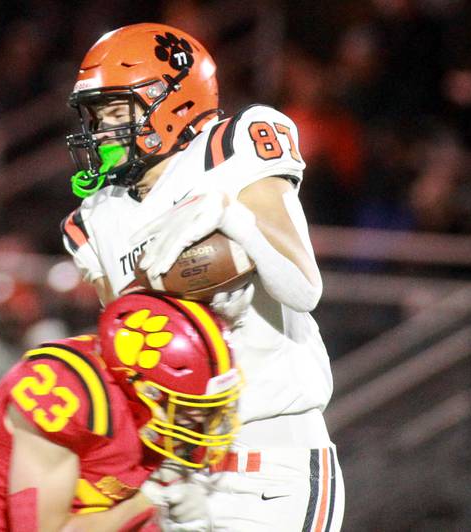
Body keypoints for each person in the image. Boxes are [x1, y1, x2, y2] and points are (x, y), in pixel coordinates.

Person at [62, 23, 344, 531]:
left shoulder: (230, 147)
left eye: (115, 112)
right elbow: (134, 347)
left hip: (272, 462)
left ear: (171, 102)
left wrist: (233, 217)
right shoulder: (95, 218)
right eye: (95, 115)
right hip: (180, 468)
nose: (101, 131)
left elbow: (304, 288)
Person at [0, 292, 242, 531]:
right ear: (138, 386)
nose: (200, 424)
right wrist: (151, 498)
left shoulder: (161, 427)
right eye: (186, 409)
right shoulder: (71, 393)